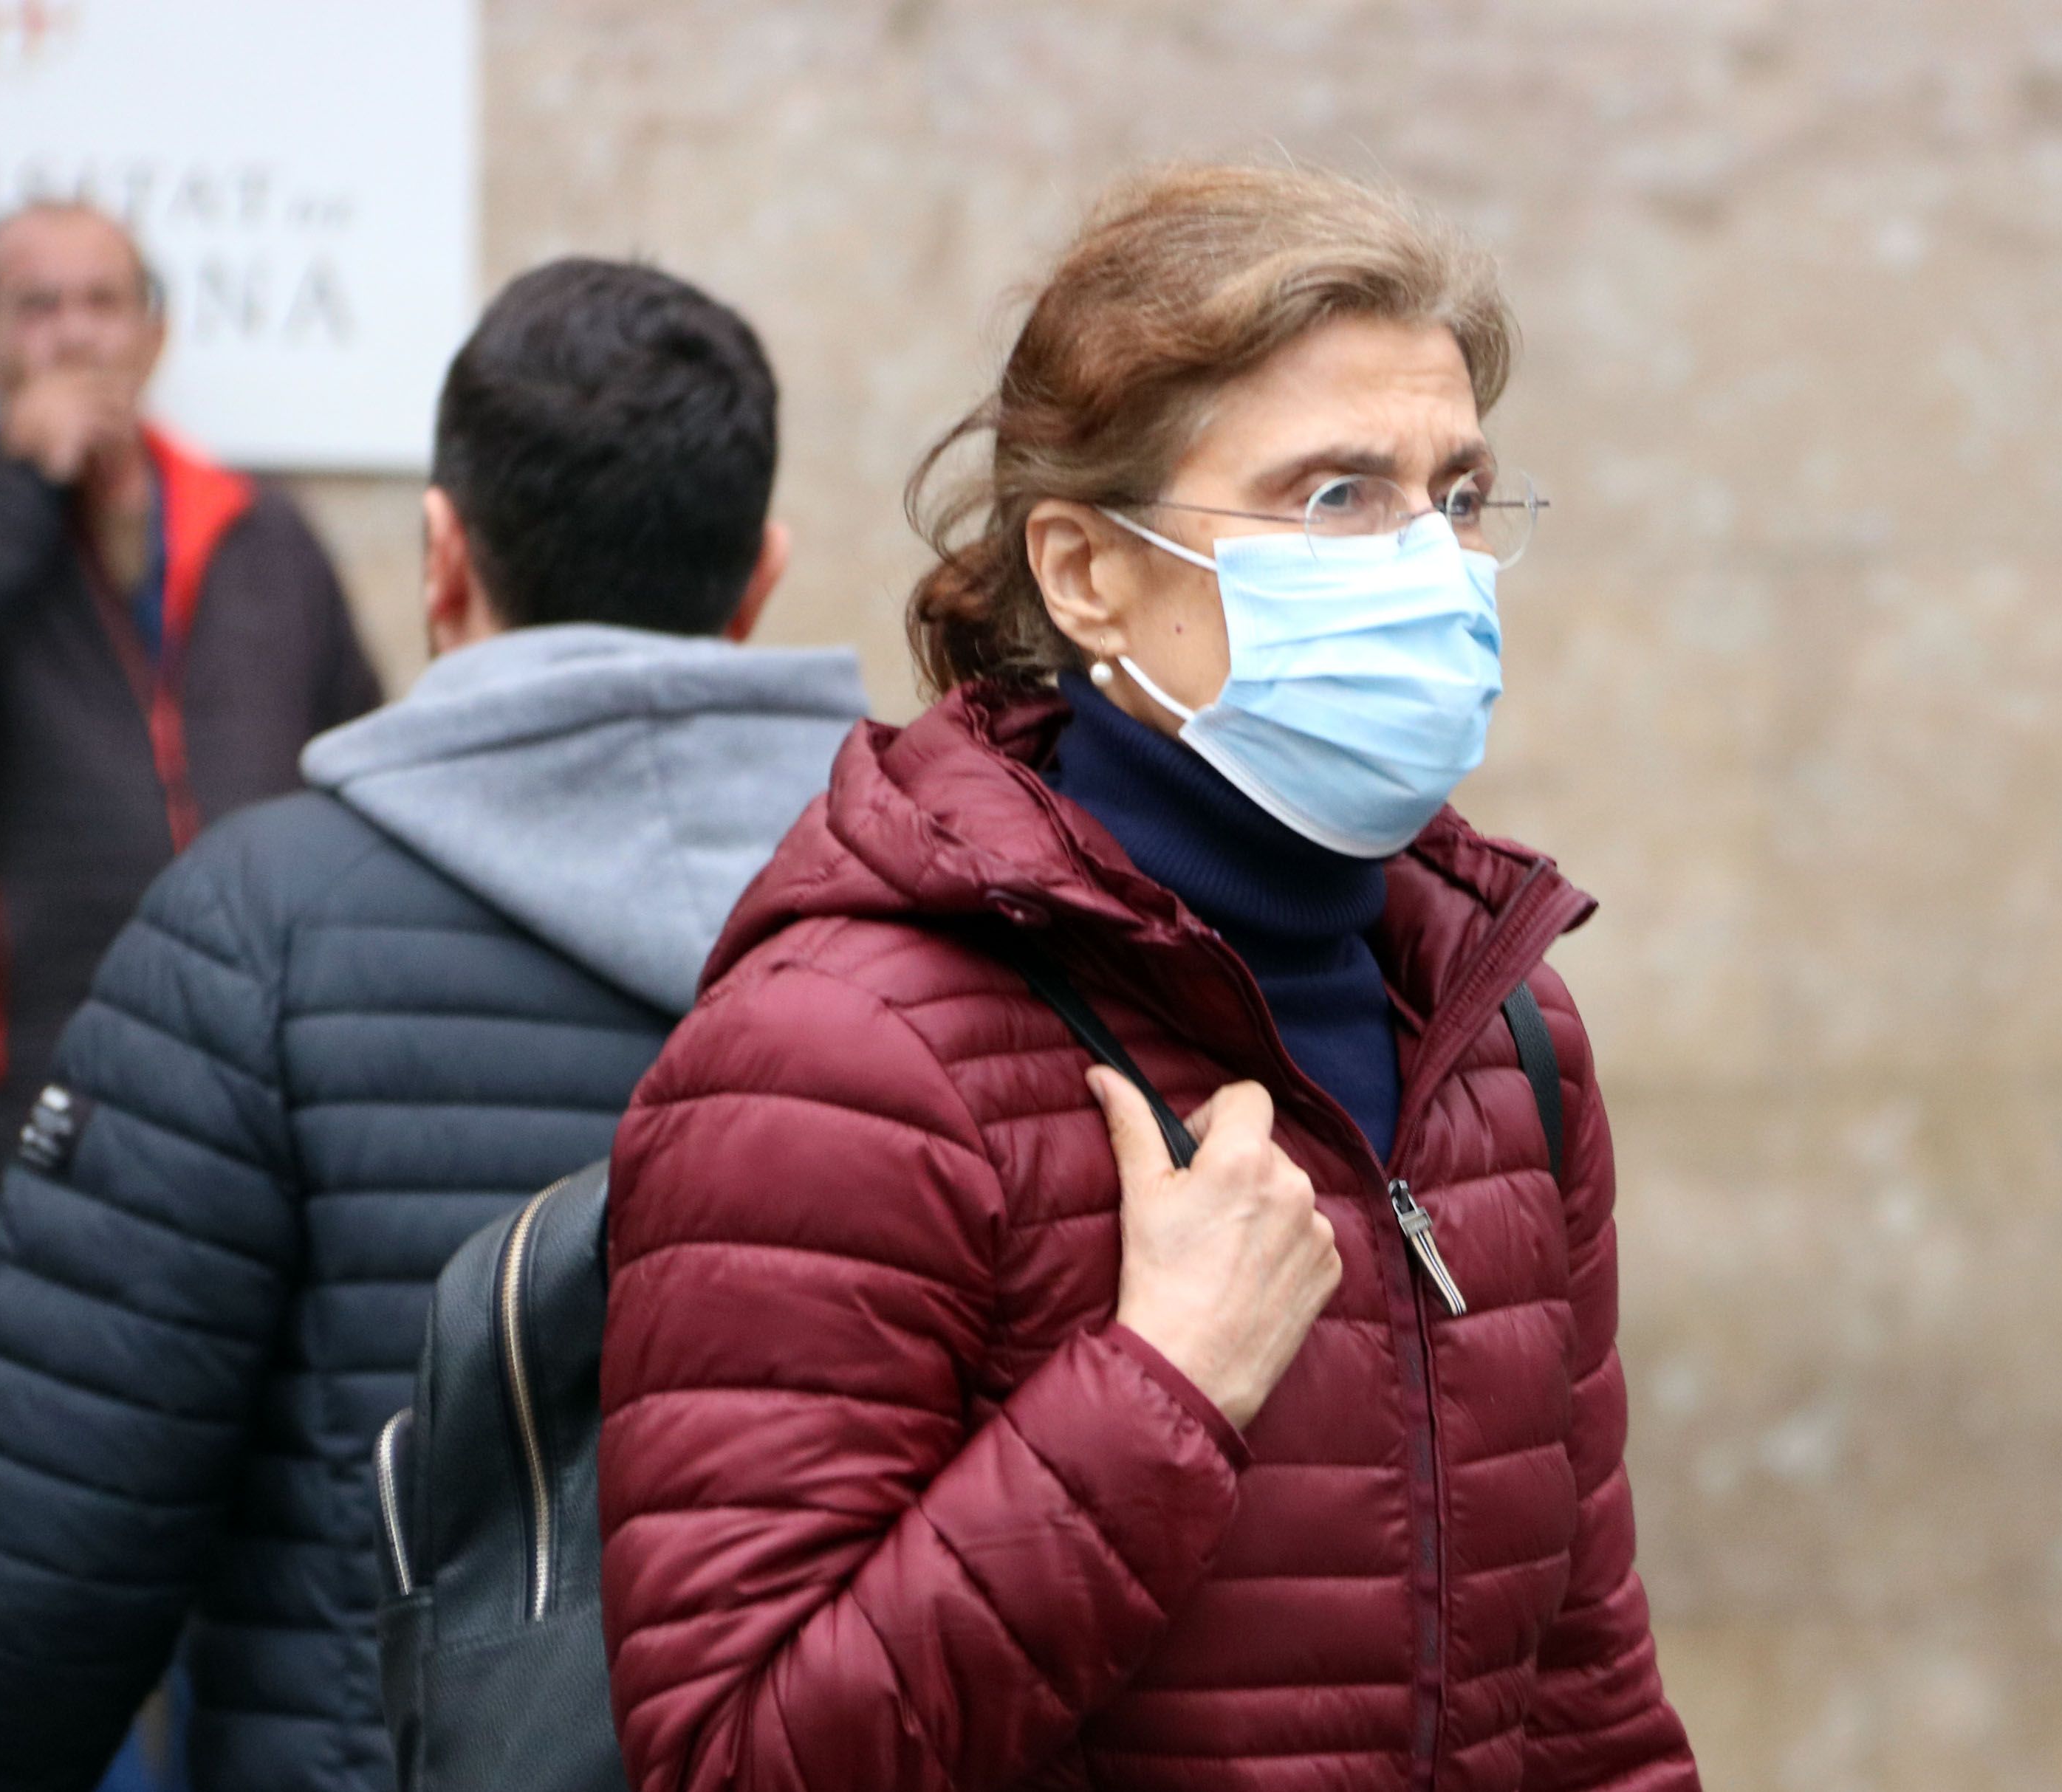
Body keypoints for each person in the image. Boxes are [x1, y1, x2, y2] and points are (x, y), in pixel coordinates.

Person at [598, 163, 1700, 1792]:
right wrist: (1156, 1387)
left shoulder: (1501, 1029)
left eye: (1454, 497)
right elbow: (733, 1758)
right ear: (1086, 572)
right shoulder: (843, 1048)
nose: (1426, 564)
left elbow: (1586, 1697)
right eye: (1333, 498)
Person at [0, 255, 866, 1792]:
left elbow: (44, 1562)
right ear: (763, 572)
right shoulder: (939, 899)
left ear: (440, 559)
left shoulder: (250, 923)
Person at [0, 199, 380, 1306]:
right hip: (26, 1109)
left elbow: (355, 773)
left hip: (261, 1104)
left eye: (103, 302)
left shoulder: (265, 535)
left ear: (155, 335)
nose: (74, 335)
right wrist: (20, 493)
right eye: (37, 307)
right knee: (38, 1469)